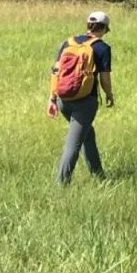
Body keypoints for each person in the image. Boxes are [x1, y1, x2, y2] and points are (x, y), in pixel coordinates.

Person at [47, 11, 115, 185]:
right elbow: (104, 78)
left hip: (63, 100)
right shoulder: (101, 48)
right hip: (85, 101)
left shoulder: (67, 42)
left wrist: (52, 98)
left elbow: (56, 71)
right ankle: (61, 185)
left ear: (87, 26)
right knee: (73, 144)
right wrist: (109, 94)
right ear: (105, 28)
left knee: (87, 135)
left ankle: (99, 176)